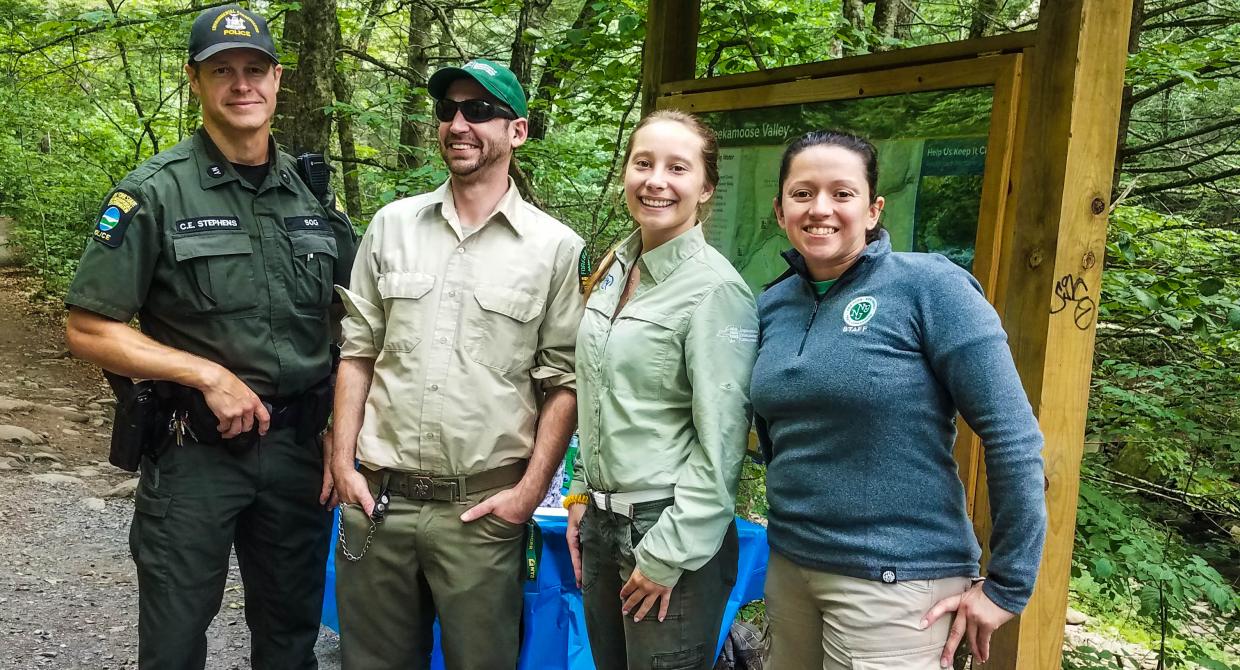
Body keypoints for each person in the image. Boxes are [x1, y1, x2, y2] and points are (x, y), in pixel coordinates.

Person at [63, 5, 357, 668]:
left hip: (297, 456)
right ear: (196, 81)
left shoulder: (313, 200)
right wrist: (209, 376)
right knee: (172, 646)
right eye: (222, 70)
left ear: (278, 79)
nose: (241, 83)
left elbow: (359, 321)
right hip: (194, 454)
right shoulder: (155, 194)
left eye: (255, 69)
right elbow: (87, 327)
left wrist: (345, 429)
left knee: (290, 643)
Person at [750, 130, 1047, 670]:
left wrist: (1008, 586)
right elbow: (779, 436)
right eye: (802, 193)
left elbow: (1012, 436)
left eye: (842, 193)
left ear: (873, 208)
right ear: (779, 210)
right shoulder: (773, 304)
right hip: (792, 565)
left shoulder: (930, 287)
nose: (821, 209)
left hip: (899, 581)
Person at [330, 58, 585, 670]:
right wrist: (342, 464)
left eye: (479, 111)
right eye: (448, 110)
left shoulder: (556, 248)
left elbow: (565, 383)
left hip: (482, 513)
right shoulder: (392, 226)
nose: (458, 123)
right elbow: (358, 352)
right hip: (379, 503)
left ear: (517, 131)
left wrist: (526, 495)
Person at [563, 110, 758, 670]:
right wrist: (581, 494)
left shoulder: (715, 290)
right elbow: (600, 394)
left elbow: (721, 444)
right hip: (603, 523)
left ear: (706, 188)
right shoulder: (617, 267)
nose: (656, 180)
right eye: (643, 163)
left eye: (678, 167)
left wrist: (668, 552)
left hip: (668, 530)